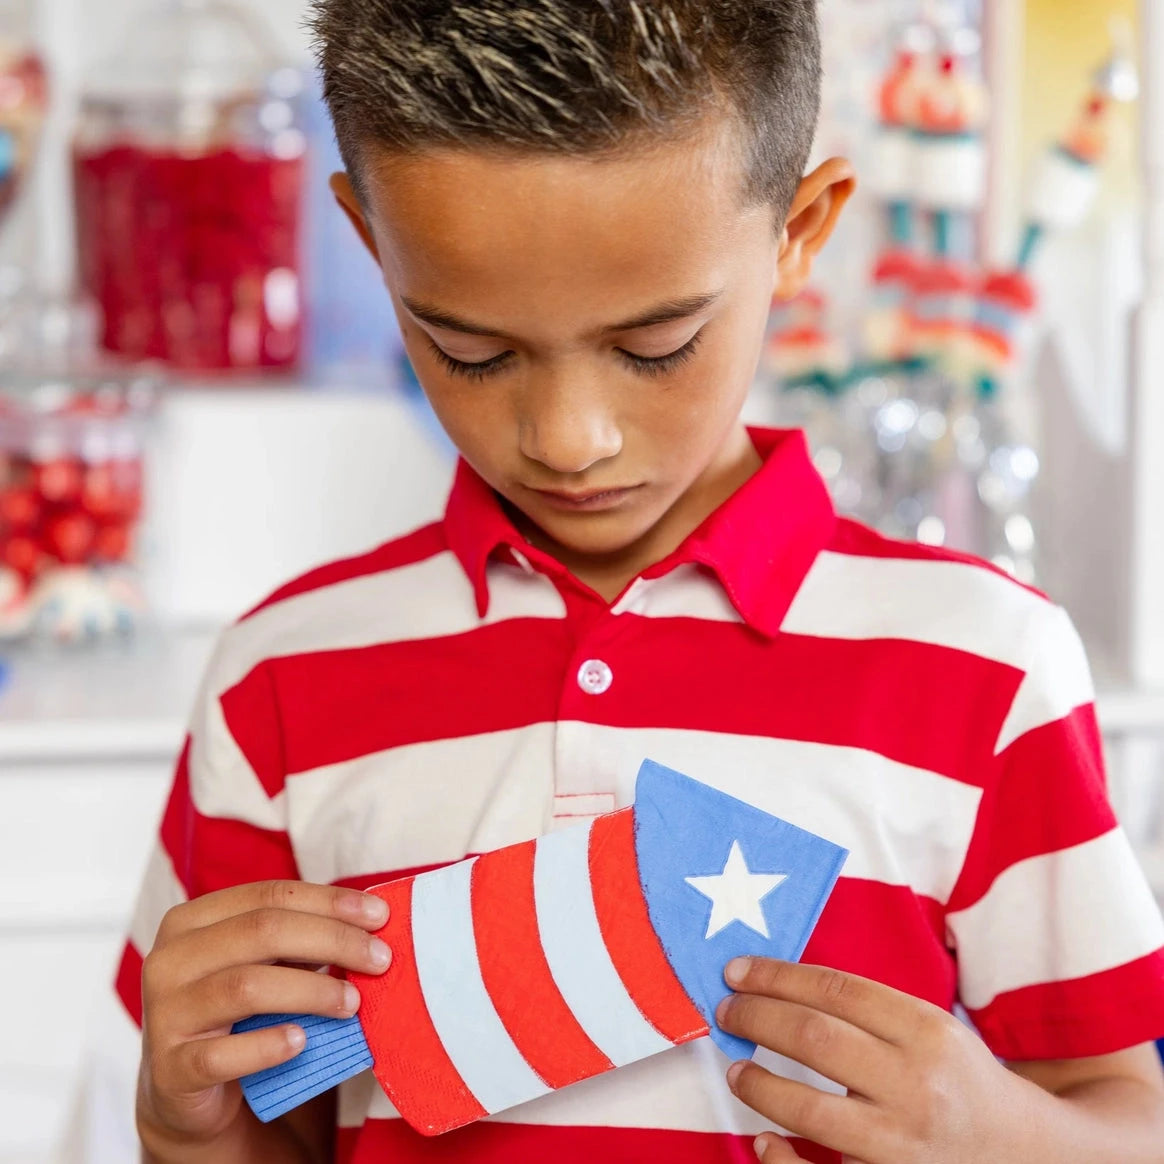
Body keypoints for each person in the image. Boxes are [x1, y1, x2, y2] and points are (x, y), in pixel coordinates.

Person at [118, 1, 1164, 1161]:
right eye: (471, 349)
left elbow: (1123, 1112)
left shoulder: (985, 663)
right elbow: (273, 1131)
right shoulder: (281, 676)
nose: (569, 438)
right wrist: (183, 1124)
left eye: (655, 346)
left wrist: (992, 1135)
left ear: (799, 232)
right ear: (374, 243)